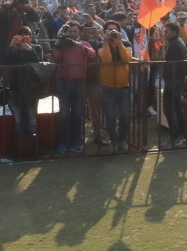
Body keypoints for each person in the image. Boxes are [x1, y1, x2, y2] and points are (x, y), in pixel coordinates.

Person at [52, 23, 96, 154]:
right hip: (64, 82)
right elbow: (55, 57)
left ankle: (76, 142)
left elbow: (93, 55)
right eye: (70, 31)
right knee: (64, 114)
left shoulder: (84, 43)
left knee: (77, 114)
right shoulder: (62, 44)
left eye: (75, 31)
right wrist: (60, 45)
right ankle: (63, 143)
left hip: (79, 82)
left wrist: (80, 45)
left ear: (78, 32)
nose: (72, 34)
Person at [97, 20, 134, 153]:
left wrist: (119, 43)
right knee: (110, 117)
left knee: (125, 116)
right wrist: (106, 41)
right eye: (109, 30)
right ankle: (114, 140)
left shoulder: (126, 43)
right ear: (104, 32)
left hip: (124, 86)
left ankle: (122, 140)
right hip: (107, 87)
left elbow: (126, 59)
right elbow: (106, 59)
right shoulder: (101, 44)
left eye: (115, 30)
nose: (112, 33)